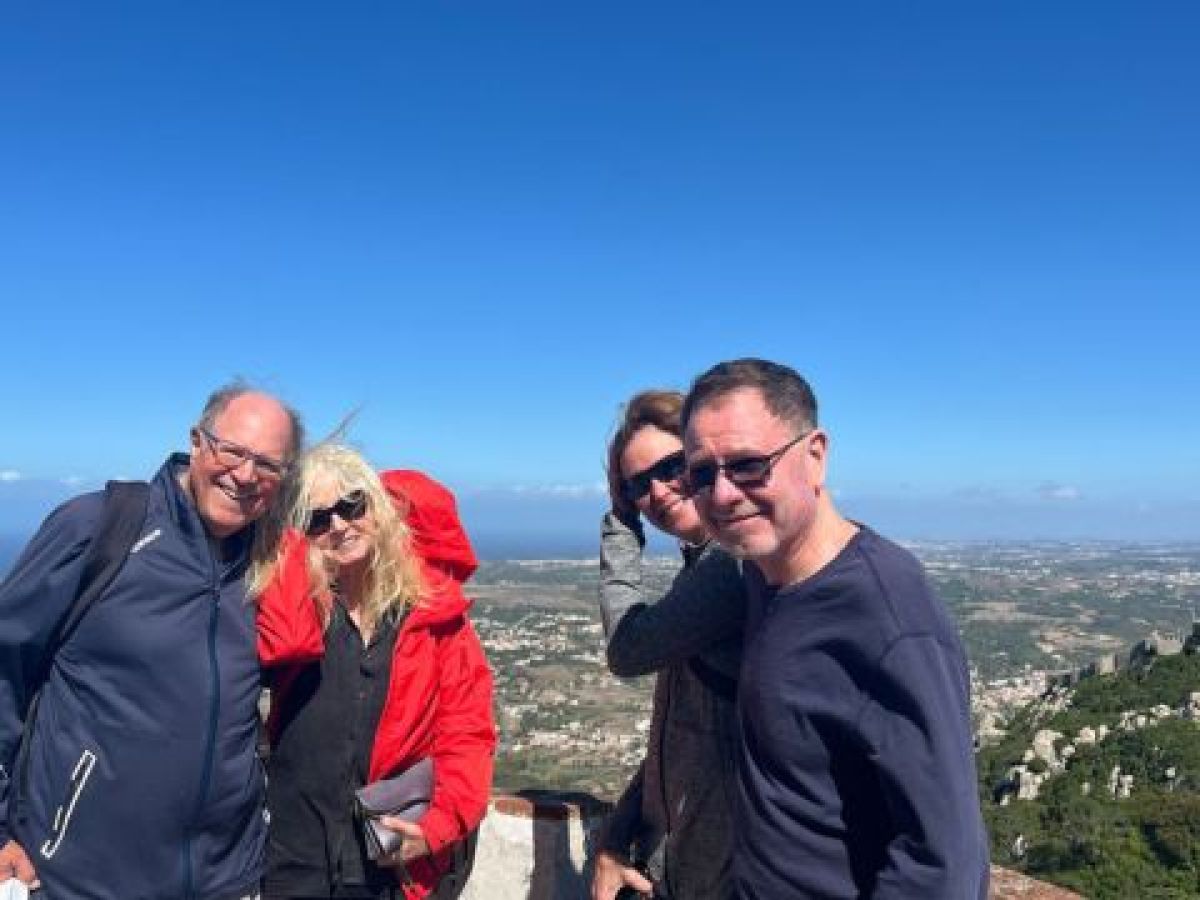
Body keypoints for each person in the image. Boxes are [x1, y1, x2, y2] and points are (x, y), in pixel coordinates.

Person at [680, 358, 989, 900]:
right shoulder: (763, 574)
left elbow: (945, 865)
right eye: (702, 473)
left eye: (749, 464)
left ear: (816, 455)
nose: (724, 494)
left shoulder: (885, 616)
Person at [0, 382, 303, 900]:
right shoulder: (98, 527)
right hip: (81, 876)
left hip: (227, 878)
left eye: (268, 465)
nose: (246, 475)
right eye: (232, 450)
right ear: (197, 441)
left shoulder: (271, 563)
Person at [253, 444, 495, 900]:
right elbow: (268, 648)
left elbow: (467, 735)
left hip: (389, 862)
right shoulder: (302, 612)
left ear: (379, 508)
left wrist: (437, 827)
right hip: (292, 858)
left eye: (351, 505)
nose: (339, 526)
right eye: (318, 519)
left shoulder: (434, 620)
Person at [591, 390, 746, 900]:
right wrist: (617, 837)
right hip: (675, 873)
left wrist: (619, 524)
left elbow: (626, 650)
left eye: (672, 466)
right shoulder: (700, 568)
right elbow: (681, 738)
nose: (657, 491)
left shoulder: (731, 568)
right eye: (637, 484)